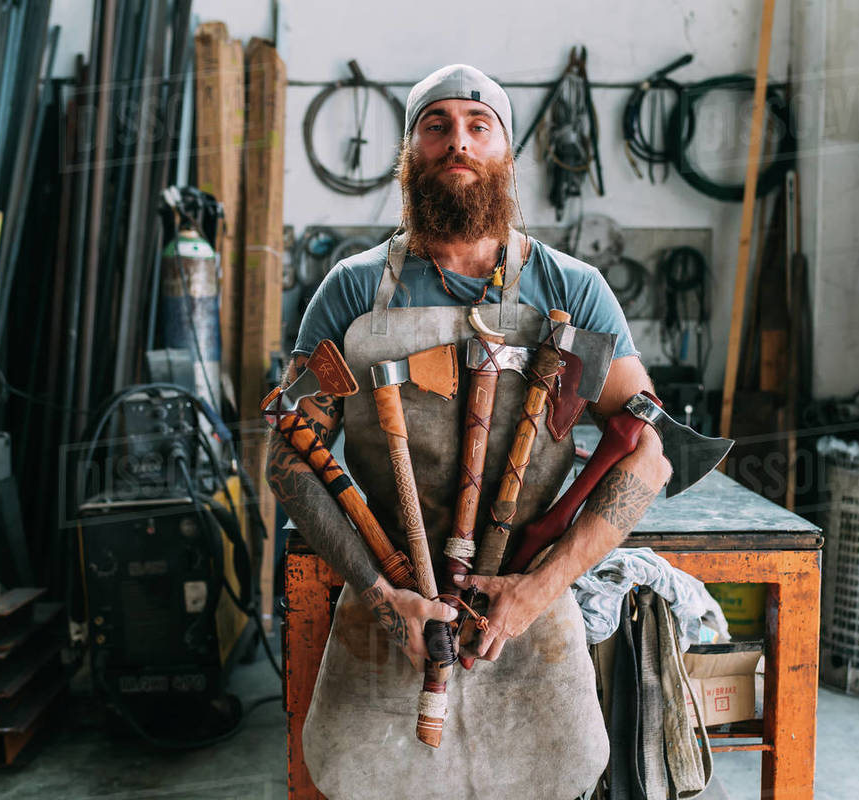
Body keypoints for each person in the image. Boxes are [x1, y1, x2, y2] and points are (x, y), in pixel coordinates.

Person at [267, 64, 671, 800]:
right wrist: (384, 596)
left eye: (478, 127)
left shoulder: (572, 292)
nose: (458, 142)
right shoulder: (355, 292)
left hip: (522, 613)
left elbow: (647, 455)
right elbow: (290, 457)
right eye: (437, 126)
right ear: (410, 153)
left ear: (506, 156)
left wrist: (536, 590)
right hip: (392, 604)